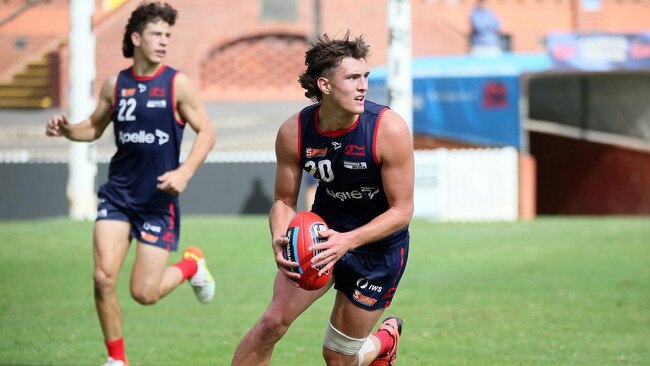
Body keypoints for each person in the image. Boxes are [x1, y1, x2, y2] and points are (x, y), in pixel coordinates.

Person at [45, 3, 217, 366]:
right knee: (103, 277)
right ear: (136, 38)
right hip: (118, 196)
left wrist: (184, 172)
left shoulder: (176, 83)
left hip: (157, 201)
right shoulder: (116, 84)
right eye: (157, 34)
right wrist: (67, 130)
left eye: (168, 35)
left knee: (144, 293)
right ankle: (116, 360)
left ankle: (191, 265)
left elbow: (207, 132)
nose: (164, 41)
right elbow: (93, 127)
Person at [231, 31, 414, 366]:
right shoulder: (294, 131)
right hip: (319, 238)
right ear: (325, 85)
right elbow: (284, 202)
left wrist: (348, 241)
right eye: (352, 78)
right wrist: (279, 235)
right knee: (270, 324)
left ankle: (384, 342)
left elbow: (402, 211)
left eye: (365, 77)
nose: (363, 86)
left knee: (337, 358)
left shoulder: (389, 130)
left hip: (377, 251)